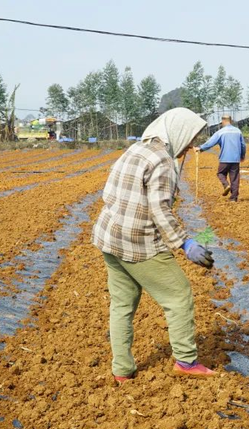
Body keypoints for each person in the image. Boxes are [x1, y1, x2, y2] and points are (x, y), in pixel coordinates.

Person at [92, 108, 216, 383]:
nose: (192, 145)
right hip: (138, 242)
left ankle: (122, 370)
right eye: (192, 137)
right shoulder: (162, 161)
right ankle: (186, 362)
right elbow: (160, 210)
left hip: (110, 237)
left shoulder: (136, 150)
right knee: (179, 295)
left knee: (122, 304)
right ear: (179, 131)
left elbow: (109, 192)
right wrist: (184, 242)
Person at [195, 114, 246, 202]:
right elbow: (243, 145)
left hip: (225, 158)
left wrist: (200, 148)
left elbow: (211, 142)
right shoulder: (238, 131)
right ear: (231, 120)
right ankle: (234, 198)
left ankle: (226, 185)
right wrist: (242, 155)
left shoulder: (221, 132)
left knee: (221, 173)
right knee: (234, 177)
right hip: (235, 159)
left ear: (223, 121)